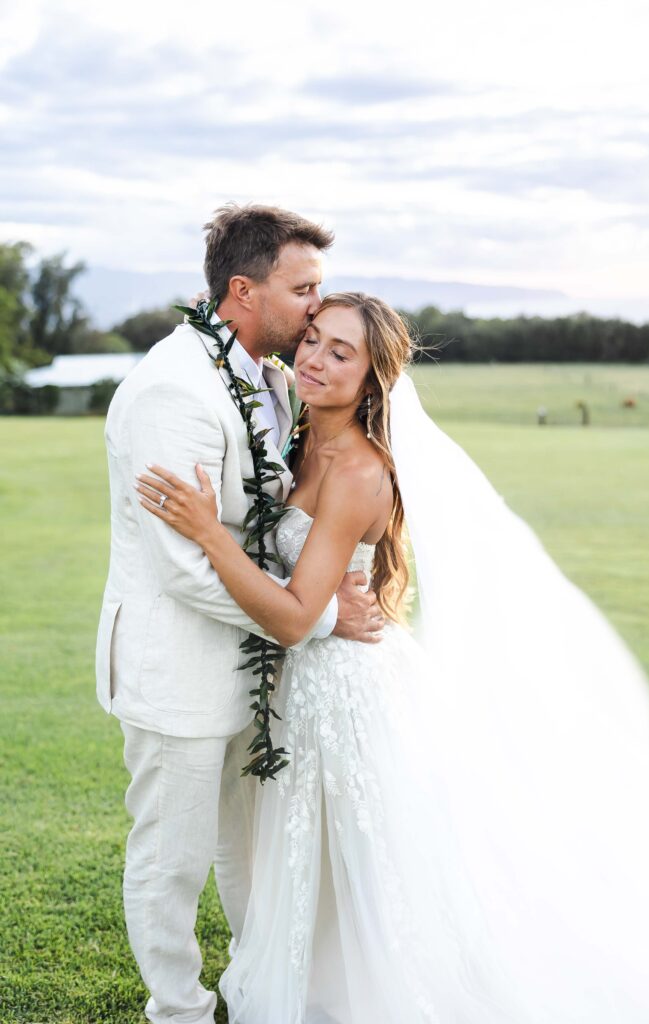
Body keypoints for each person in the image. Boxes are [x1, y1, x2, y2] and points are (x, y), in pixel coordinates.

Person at [137, 292, 649, 1023]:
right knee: (310, 854)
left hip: (344, 688)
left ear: (374, 380)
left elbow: (296, 618)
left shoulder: (358, 472)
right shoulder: (298, 434)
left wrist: (209, 535)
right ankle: (318, 978)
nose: (314, 360)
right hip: (304, 683)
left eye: (341, 353)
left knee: (370, 857)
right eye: (313, 339)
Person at [95, 207, 385, 1024]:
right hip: (179, 666)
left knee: (247, 849)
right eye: (303, 289)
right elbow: (185, 567)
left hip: (257, 668)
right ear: (244, 290)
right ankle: (177, 1010)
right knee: (172, 858)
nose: (314, 306)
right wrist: (318, 617)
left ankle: (259, 987)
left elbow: (268, 522)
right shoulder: (172, 390)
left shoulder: (269, 379)